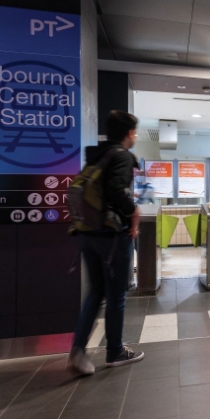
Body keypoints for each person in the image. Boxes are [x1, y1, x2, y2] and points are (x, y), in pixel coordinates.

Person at [68, 111, 145, 375]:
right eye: (134, 132)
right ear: (129, 133)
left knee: (96, 291)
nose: (135, 136)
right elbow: (116, 190)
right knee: (116, 295)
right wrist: (134, 211)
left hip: (87, 233)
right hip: (111, 236)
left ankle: (77, 350)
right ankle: (114, 351)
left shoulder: (96, 156)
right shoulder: (121, 156)